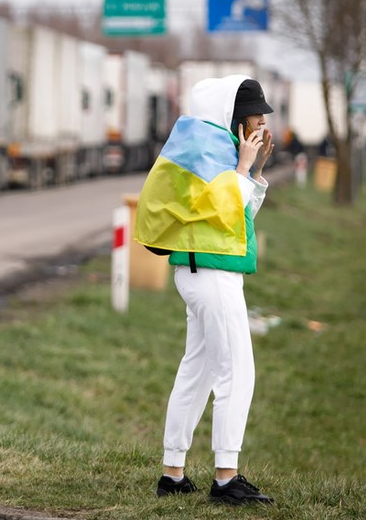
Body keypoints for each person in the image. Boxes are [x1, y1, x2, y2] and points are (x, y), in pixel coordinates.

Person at [133, 75, 275, 505]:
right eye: (254, 118)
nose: (260, 126)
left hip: (206, 271)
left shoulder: (213, 149)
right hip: (210, 274)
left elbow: (238, 218)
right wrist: (243, 170)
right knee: (237, 372)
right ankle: (226, 479)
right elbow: (221, 210)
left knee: (198, 372)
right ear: (232, 118)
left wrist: (255, 171)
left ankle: (172, 473)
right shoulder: (205, 150)